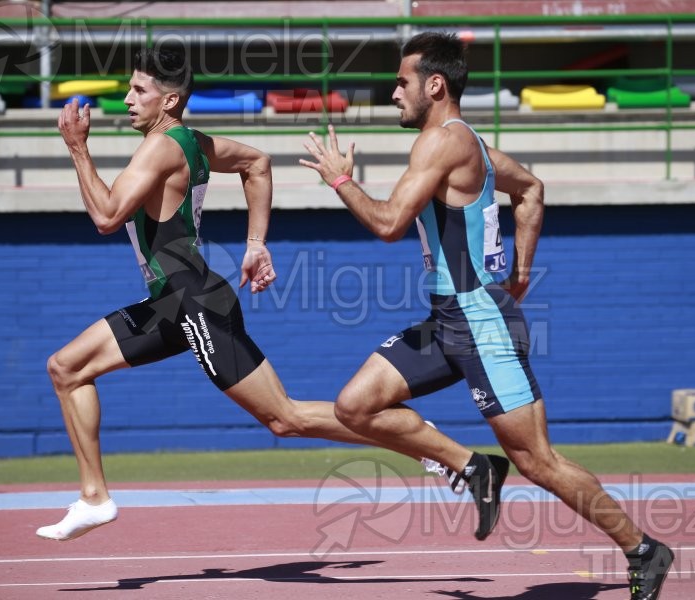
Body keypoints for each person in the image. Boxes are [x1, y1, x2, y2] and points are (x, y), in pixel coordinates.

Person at [40, 46, 502, 542]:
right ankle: (94, 498)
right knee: (66, 368)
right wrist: (256, 244)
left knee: (286, 418)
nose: (127, 99)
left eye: (139, 90)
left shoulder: (160, 147)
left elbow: (108, 216)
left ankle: (444, 453)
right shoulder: (193, 141)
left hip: (192, 303)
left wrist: (78, 149)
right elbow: (257, 162)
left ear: (169, 101)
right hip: (171, 303)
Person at [300, 32, 674, 600]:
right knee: (356, 405)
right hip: (448, 318)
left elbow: (387, 224)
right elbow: (532, 190)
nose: (392, 92)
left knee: (538, 462)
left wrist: (340, 181)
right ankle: (473, 466)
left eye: (401, 82)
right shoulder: (467, 143)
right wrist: (521, 274)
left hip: (480, 321)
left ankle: (643, 547)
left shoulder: (442, 143)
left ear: (435, 84)